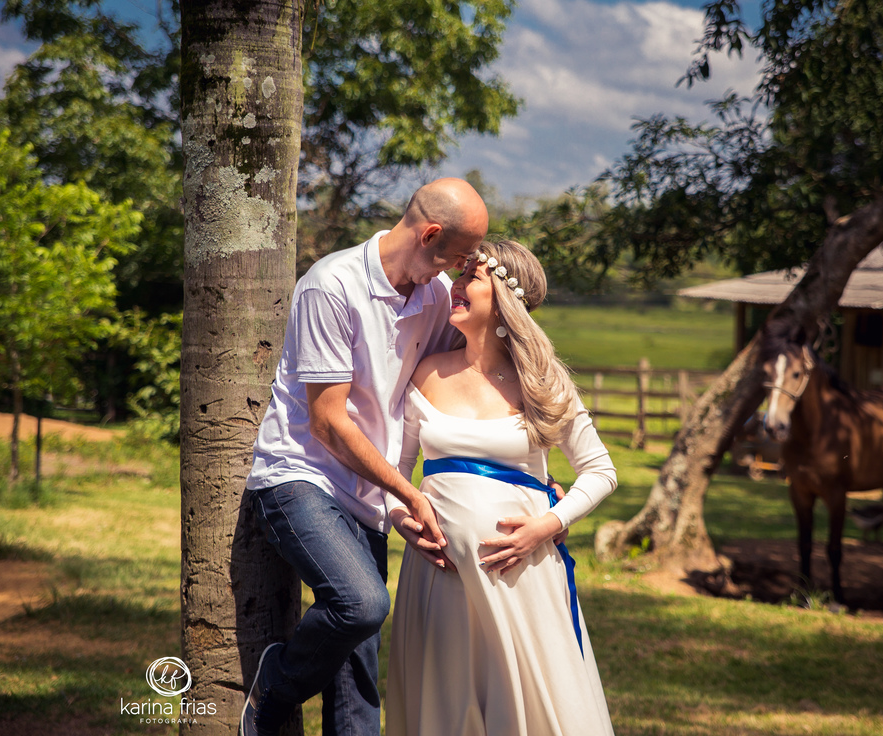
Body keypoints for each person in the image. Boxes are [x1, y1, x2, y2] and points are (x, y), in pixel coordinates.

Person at [238, 178, 489, 736]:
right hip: (300, 478)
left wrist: (535, 485)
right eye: (459, 255)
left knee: (360, 681)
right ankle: (272, 690)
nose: (460, 270)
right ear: (428, 234)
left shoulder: (435, 295)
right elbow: (327, 422)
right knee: (361, 604)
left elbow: (465, 385)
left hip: (368, 494)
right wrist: (407, 492)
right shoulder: (332, 285)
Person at [385, 240, 618, 736]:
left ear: (505, 297)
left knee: (529, 705)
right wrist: (402, 521)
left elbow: (601, 471)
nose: (455, 285)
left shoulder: (542, 381)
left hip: (519, 573)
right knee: (445, 702)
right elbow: (393, 475)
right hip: (437, 576)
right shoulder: (425, 373)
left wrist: (546, 526)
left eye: (471, 276)